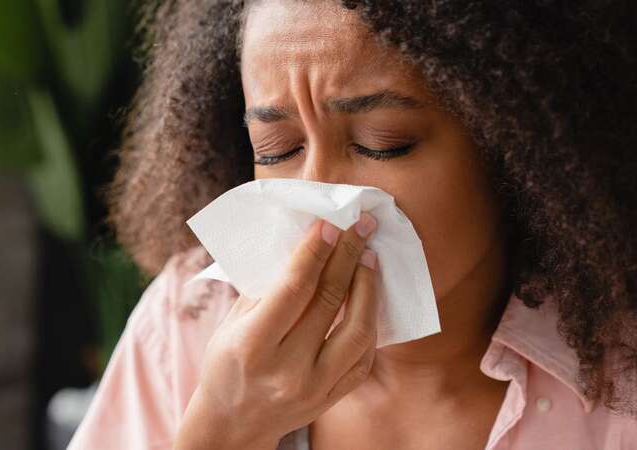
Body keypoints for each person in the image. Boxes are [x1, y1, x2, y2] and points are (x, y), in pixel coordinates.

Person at [68, 0, 637, 448]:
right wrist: (222, 436)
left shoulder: (621, 384)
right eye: (277, 148)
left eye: (382, 145)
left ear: (511, 146)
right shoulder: (189, 321)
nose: (317, 195)